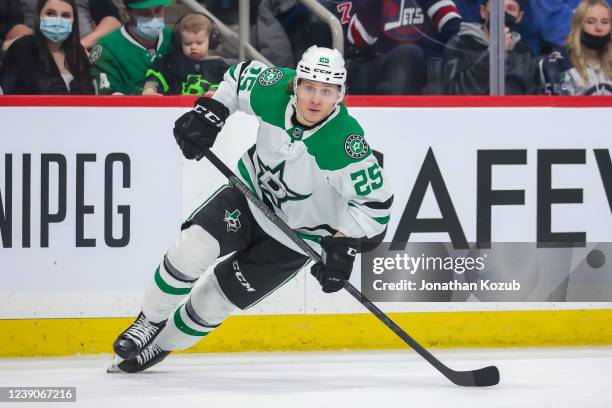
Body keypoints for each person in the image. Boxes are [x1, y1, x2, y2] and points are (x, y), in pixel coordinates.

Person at [108, 46, 394, 373]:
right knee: (191, 249)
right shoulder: (272, 89)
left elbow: (375, 207)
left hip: (298, 237)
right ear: (295, 85)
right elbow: (237, 77)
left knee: (214, 301)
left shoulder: (345, 144)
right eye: (309, 87)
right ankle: (148, 322)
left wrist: (341, 245)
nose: (315, 99)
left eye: (326, 91)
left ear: (339, 96)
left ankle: (160, 345)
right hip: (249, 197)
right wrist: (211, 111)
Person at [344, 0, 463, 95]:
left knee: (410, 53)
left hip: (426, 71)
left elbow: (455, 31)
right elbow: (357, 42)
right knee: (407, 54)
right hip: (382, 67)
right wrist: (372, 7)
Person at [0, 0, 94, 94]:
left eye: (66, 15)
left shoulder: (79, 53)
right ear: (39, 16)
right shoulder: (21, 49)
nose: (58, 21)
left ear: (74, 21)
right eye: (50, 13)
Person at [441, 0, 535, 94]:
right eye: (496, 7)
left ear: (519, 17)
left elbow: (533, 95)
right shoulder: (460, 44)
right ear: (483, 12)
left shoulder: (524, 52)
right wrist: (495, 53)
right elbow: (454, 92)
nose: (503, 13)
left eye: (510, 9)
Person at [89, 0, 172, 95]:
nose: (153, 18)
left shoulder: (176, 38)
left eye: (158, 10)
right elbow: (107, 97)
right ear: (126, 12)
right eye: (144, 12)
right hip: (130, 109)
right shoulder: (108, 46)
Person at [143, 13, 229, 96]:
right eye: (187, 43)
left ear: (211, 41)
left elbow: (229, 84)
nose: (193, 47)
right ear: (179, 42)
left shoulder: (219, 65)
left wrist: (217, 91)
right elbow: (156, 74)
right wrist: (150, 87)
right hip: (174, 108)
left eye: (199, 43)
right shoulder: (172, 62)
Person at [19, 0, 122, 51]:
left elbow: (113, 21)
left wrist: (79, 47)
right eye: (50, 14)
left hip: (82, 51)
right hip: (34, 51)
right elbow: (8, 24)